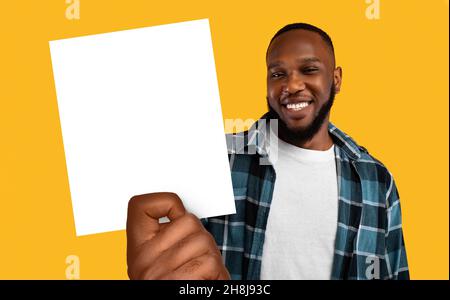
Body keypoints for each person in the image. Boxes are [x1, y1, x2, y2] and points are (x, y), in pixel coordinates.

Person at [126, 23, 409, 280]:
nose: (292, 85)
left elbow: (394, 271)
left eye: (309, 70)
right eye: (278, 74)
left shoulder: (375, 178)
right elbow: (163, 255)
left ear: (336, 79)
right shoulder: (216, 159)